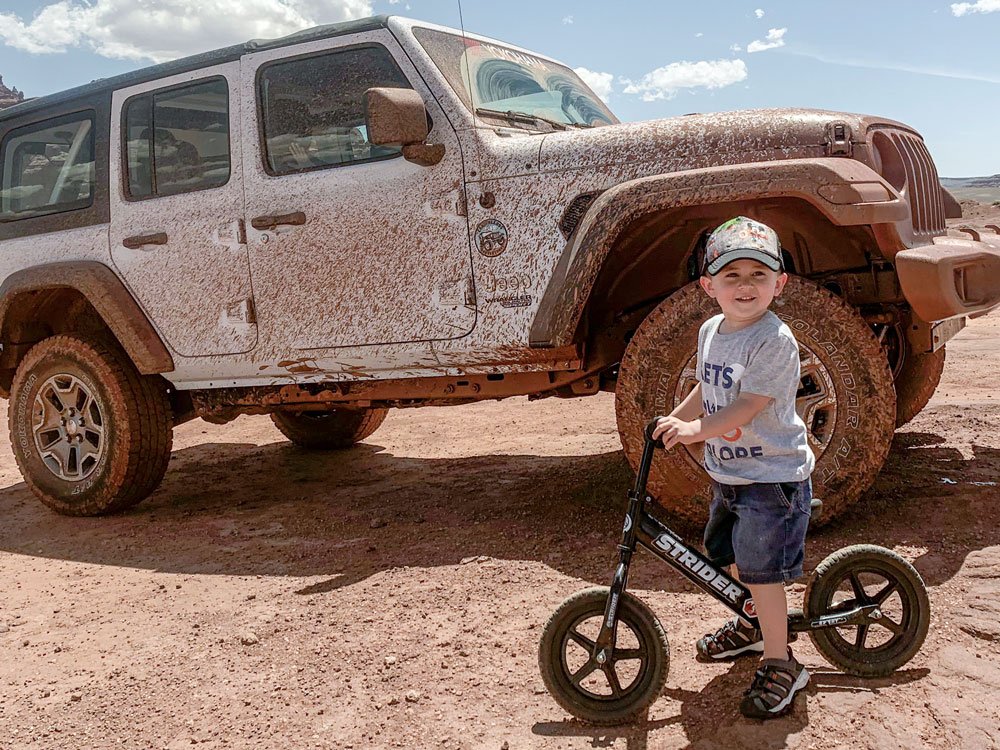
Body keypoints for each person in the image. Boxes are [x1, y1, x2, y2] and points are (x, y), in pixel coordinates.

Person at [651, 216, 815, 720]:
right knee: (732, 557)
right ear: (708, 285)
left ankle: (781, 660)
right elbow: (709, 386)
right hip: (731, 475)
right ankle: (753, 625)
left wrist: (696, 432)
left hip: (773, 478)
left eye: (758, 275)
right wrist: (677, 418)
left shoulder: (773, 339)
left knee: (764, 575)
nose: (745, 287)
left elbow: (746, 406)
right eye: (732, 275)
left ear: (779, 283)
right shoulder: (710, 330)